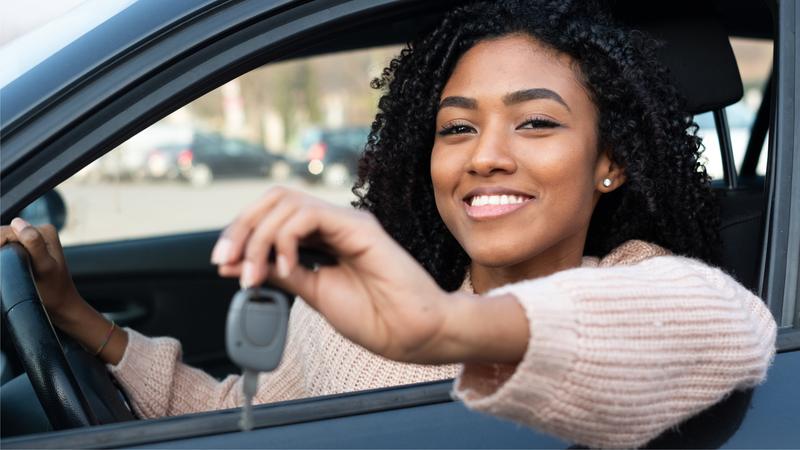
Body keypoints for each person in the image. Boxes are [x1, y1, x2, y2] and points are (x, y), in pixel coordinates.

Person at [0, 0, 776, 447]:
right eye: (457, 128)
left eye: (536, 124)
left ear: (608, 164)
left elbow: (730, 328)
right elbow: (233, 419)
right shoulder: (351, 314)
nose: (486, 158)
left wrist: (445, 330)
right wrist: (78, 319)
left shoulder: (637, 285)